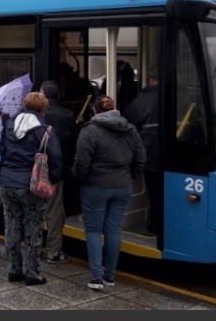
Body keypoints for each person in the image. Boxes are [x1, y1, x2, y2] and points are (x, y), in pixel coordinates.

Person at [72, 95, 145, 290]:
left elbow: (81, 162)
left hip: (95, 186)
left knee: (94, 231)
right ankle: (110, 276)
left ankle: (96, 277)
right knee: (113, 230)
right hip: (122, 187)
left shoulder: (89, 131)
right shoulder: (130, 130)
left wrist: (79, 179)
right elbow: (140, 158)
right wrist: (128, 176)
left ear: (95, 111)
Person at [0, 91, 62, 286]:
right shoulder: (44, 129)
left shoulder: (9, 124)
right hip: (31, 185)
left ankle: (14, 269)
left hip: (7, 182)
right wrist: (54, 178)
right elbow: (56, 157)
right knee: (33, 228)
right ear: (43, 108)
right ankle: (32, 273)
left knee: (12, 226)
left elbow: (1, 150)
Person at [39, 80, 78, 264]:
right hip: (56, 169)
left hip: (36, 169)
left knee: (36, 209)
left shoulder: (36, 116)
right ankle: (54, 250)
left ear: (43, 95)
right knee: (55, 211)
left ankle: (35, 245)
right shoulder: (68, 115)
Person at [122, 64, 160, 235]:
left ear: (151, 79)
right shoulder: (178, 94)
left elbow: (129, 118)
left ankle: (155, 225)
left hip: (150, 151)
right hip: (171, 153)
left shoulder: (145, 98)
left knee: (154, 192)